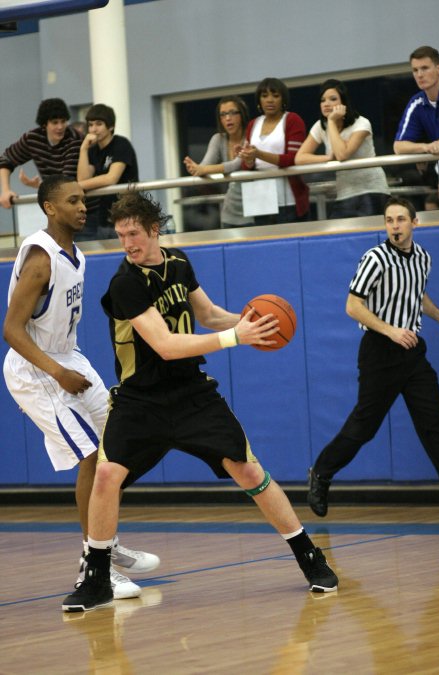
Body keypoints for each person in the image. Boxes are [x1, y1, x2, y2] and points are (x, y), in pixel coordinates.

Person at [61, 190, 338, 612]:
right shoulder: (125, 283)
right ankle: (97, 578)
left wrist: (250, 323)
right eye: (120, 236)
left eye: (133, 233)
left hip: (192, 394)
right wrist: (235, 338)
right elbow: (166, 345)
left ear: (155, 230)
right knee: (105, 476)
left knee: (248, 470)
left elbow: (207, 314)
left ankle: (309, 557)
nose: (128, 243)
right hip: (141, 400)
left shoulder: (179, 263)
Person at [2, 175, 160, 599]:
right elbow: (12, 331)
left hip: (68, 359)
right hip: (37, 369)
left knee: (117, 446)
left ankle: (104, 540)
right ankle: (95, 566)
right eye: (72, 200)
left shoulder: (77, 253)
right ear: (50, 208)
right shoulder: (41, 257)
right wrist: (56, 373)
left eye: (84, 199)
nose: (82, 206)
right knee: (90, 455)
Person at [306, 196, 439, 518]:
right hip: (380, 351)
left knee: (437, 427)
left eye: (400, 219)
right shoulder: (375, 258)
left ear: (415, 222)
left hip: (412, 353)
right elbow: (352, 305)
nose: (394, 226)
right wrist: (390, 330)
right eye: (389, 220)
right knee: (364, 427)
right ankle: (322, 472)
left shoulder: (423, 258)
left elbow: (417, 293)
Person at [295, 79, 390, 218]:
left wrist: (332, 122)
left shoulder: (361, 123)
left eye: (333, 99)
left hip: (371, 190)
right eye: (323, 100)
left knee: (371, 236)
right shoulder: (320, 126)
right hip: (345, 192)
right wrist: (327, 158)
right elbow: (299, 158)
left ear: (343, 103)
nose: (326, 104)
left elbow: (342, 155)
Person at [238, 77, 309, 225]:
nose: (270, 100)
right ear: (259, 100)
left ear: (283, 99)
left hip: (288, 198)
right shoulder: (253, 124)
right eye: (264, 96)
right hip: (259, 198)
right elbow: (247, 167)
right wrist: (247, 158)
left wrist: (258, 154)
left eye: (275, 96)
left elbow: (293, 159)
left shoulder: (292, 120)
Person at [183, 95, 254, 228]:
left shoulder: (251, 136)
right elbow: (204, 166)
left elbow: (234, 165)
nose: (228, 118)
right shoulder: (218, 139)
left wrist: (203, 169)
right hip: (230, 210)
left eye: (232, 113)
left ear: (242, 115)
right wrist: (195, 168)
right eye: (223, 114)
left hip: (255, 210)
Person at [0, 98, 82, 209]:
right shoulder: (33, 138)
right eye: (55, 122)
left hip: (82, 204)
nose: (60, 127)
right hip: (56, 204)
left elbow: (65, 182)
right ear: (44, 124)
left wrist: (39, 186)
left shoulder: (74, 139)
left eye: (63, 121)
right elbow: (5, 160)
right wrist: (5, 190)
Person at [394, 46, 439, 204]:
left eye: (425, 68)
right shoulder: (416, 103)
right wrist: (427, 147)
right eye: (415, 70)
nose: (419, 74)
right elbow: (399, 146)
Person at [77, 104, 139, 240]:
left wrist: (78, 187)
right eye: (91, 124)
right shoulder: (93, 150)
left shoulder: (121, 144)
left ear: (110, 126)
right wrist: (83, 149)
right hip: (105, 217)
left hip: (128, 215)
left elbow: (111, 178)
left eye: (99, 124)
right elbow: (82, 178)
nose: (93, 129)